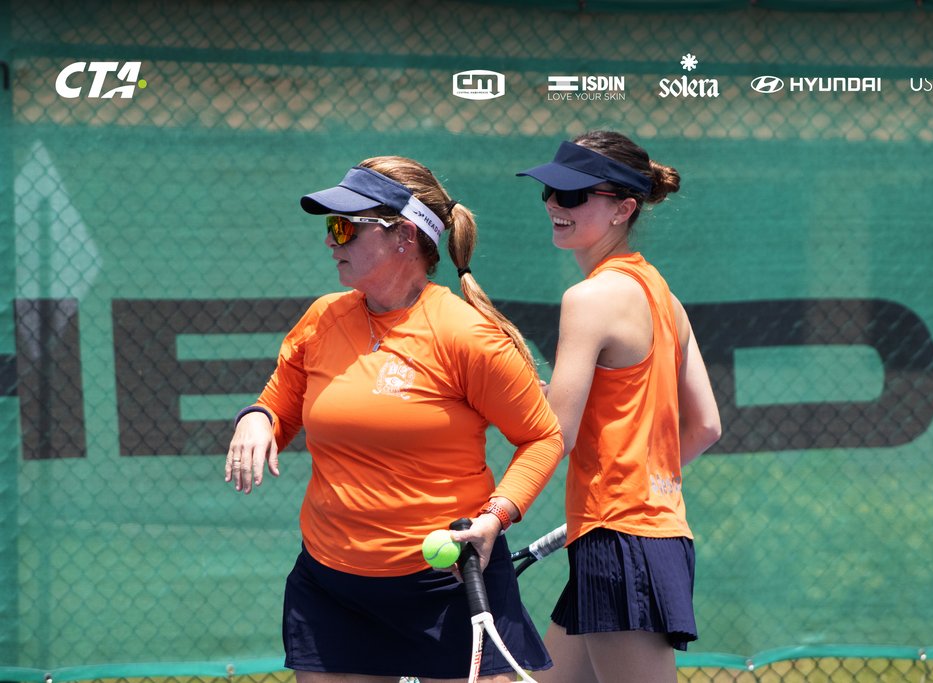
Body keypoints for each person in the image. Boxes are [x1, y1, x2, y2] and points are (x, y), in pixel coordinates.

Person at [224, 156, 563, 683]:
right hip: (332, 588)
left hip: (447, 585)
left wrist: (495, 517)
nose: (331, 241)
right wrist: (257, 417)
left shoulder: (467, 335)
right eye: (330, 228)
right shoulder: (323, 318)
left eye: (345, 228)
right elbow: (280, 403)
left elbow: (542, 437)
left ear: (404, 236)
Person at [516, 131, 722, 683]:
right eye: (550, 193)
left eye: (575, 195)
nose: (556, 206)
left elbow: (553, 430)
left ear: (623, 208)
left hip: (622, 544)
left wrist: (495, 514)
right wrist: (633, 483)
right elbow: (705, 426)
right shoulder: (664, 296)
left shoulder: (590, 298)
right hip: (642, 532)